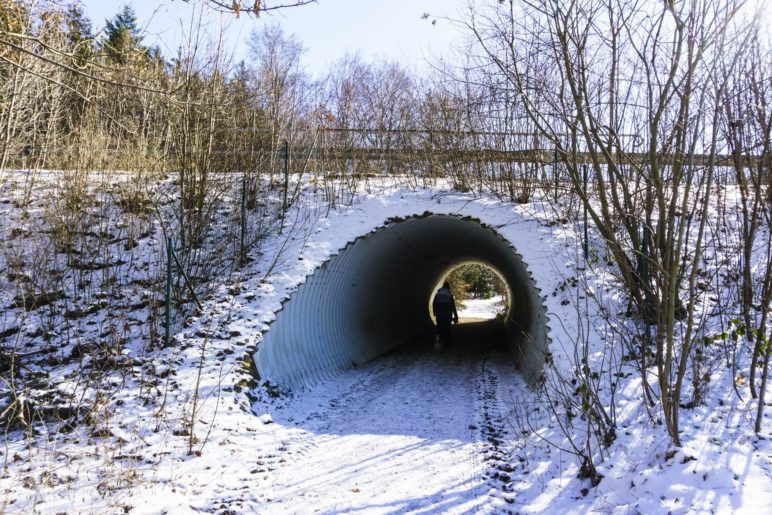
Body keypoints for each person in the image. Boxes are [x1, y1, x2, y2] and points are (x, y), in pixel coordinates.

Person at [432, 281, 459, 350]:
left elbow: (434, 304)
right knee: (447, 330)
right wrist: (456, 316)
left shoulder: (437, 295)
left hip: (439, 315)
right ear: (448, 288)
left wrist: (435, 313)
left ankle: (438, 342)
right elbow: (453, 307)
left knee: (439, 329)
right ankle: (447, 344)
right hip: (447, 315)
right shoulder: (449, 295)